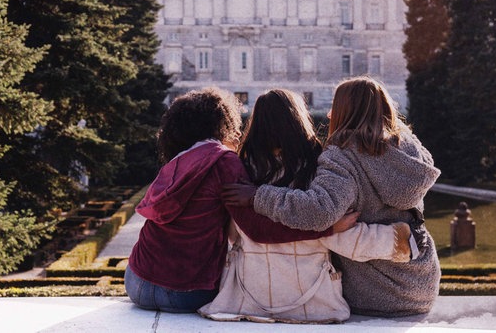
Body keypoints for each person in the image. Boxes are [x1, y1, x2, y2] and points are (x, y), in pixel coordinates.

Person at [126, 87, 367, 313]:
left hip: (136, 281)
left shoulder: (179, 159)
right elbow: (256, 230)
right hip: (184, 293)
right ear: (222, 125)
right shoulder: (223, 162)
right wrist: (328, 228)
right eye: (234, 125)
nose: (240, 133)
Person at [223, 77, 442, 317]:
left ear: (346, 112)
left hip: (374, 293)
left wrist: (258, 196)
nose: (328, 115)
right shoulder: (410, 151)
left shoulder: (343, 156)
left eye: (334, 107)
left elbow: (319, 212)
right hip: (422, 284)